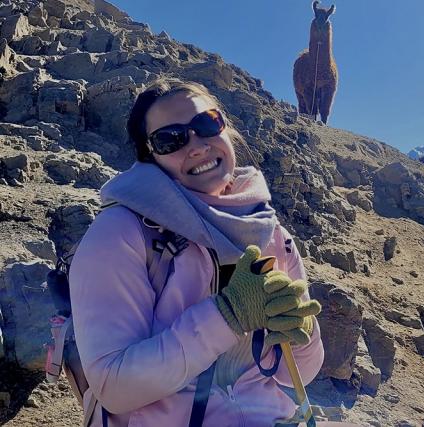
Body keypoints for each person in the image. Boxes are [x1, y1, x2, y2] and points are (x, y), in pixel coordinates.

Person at [69, 79, 323, 427]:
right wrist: (226, 315)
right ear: (151, 158)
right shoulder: (121, 233)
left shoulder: (270, 231)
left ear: (226, 128)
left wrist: (301, 330)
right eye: (170, 139)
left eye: (206, 124)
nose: (197, 146)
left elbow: (299, 375)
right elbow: (114, 386)